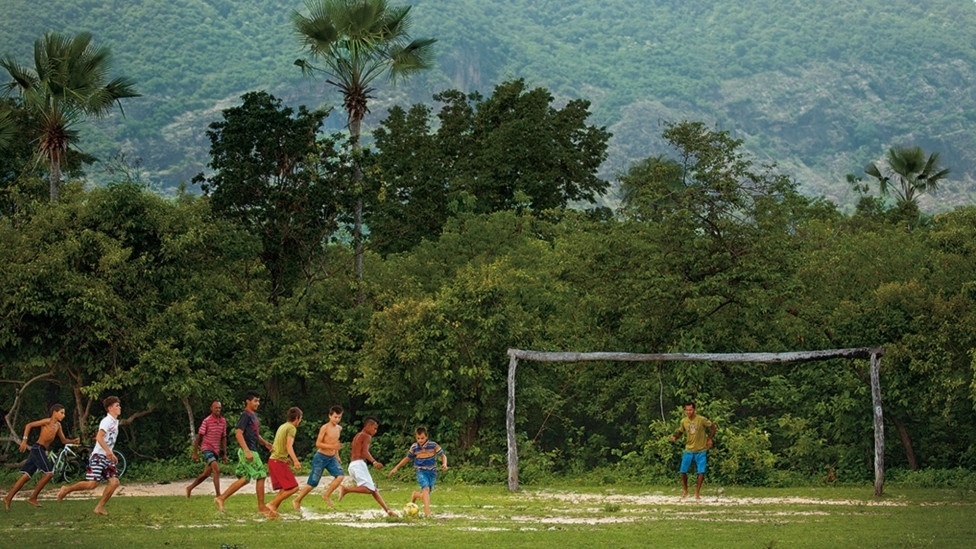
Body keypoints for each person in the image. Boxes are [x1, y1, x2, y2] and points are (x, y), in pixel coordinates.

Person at [4, 404, 80, 510]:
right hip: (37, 448)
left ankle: (8, 498)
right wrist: (24, 440)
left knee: (25, 477)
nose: (63, 415)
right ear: (54, 412)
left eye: (64, 413)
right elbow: (29, 425)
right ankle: (33, 497)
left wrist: (73, 441)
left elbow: (63, 440)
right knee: (49, 474)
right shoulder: (47, 421)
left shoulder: (58, 426)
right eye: (61, 413)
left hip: (41, 450)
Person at [57, 396, 123, 515]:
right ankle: (67, 489)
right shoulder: (107, 421)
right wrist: (108, 451)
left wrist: (111, 453)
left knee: (115, 482)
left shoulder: (114, 422)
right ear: (110, 408)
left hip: (106, 457)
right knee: (92, 484)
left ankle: (99, 507)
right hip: (98, 456)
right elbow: (99, 437)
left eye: (119, 405)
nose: (119, 407)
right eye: (117, 405)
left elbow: (108, 441)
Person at [214, 391, 274, 515]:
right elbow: (238, 433)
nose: (258, 403)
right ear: (248, 401)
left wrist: (266, 443)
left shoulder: (254, 416)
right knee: (261, 475)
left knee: (245, 479)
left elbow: (255, 434)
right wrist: (247, 451)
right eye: (255, 401)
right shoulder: (245, 415)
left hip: (252, 449)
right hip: (248, 451)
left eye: (258, 401)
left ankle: (221, 498)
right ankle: (261, 507)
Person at [337, 417, 396, 517]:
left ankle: (388, 510)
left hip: (352, 465)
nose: (375, 431)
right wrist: (374, 462)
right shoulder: (367, 436)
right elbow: (364, 452)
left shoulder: (358, 435)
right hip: (359, 464)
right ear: (368, 426)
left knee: (373, 489)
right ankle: (346, 489)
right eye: (374, 428)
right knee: (369, 489)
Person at [292, 405, 344, 510]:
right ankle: (297, 499)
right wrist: (332, 447)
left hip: (331, 458)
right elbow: (318, 443)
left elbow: (336, 443)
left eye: (339, 417)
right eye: (335, 417)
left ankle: (326, 495)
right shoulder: (325, 427)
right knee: (313, 482)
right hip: (320, 457)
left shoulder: (339, 428)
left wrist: (337, 455)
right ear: (330, 416)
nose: (337, 419)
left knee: (340, 476)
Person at [388, 426, 448, 517]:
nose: (420, 440)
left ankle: (415, 495)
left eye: (422, 438)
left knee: (426, 494)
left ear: (426, 436)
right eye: (418, 438)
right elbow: (407, 458)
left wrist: (444, 464)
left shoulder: (433, 445)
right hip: (421, 472)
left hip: (432, 473)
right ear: (416, 438)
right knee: (426, 489)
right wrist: (396, 467)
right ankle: (428, 514)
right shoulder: (414, 447)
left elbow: (443, 456)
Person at [669, 401, 717, 500]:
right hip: (689, 449)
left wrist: (710, 439)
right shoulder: (684, 421)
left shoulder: (701, 419)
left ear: (694, 410)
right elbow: (680, 431)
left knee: (701, 472)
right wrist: (675, 437)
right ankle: (686, 490)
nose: (689, 412)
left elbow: (713, 427)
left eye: (690, 410)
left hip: (701, 449)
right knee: (683, 471)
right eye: (687, 410)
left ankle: (697, 493)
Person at [185, 400, 228, 498]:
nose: (218, 409)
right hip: (207, 448)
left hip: (216, 450)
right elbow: (199, 436)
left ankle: (190, 488)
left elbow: (223, 437)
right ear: (211, 408)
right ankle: (218, 496)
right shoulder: (207, 421)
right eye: (216, 407)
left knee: (206, 474)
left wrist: (225, 454)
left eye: (219, 408)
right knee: (216, 470)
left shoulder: (223, 421)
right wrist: (195, 452)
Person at [265, 407, 303, 518]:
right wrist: (295, 461)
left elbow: (279, 445)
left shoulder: (283, 426)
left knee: (285, 488)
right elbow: (288, 445)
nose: (300, 421)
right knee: (294, 487)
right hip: (278, 461)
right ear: (297, 418)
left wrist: (287, 458)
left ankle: (272, 511)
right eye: (300, 419)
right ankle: (271, 504)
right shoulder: (291, 428)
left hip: (274, 460)